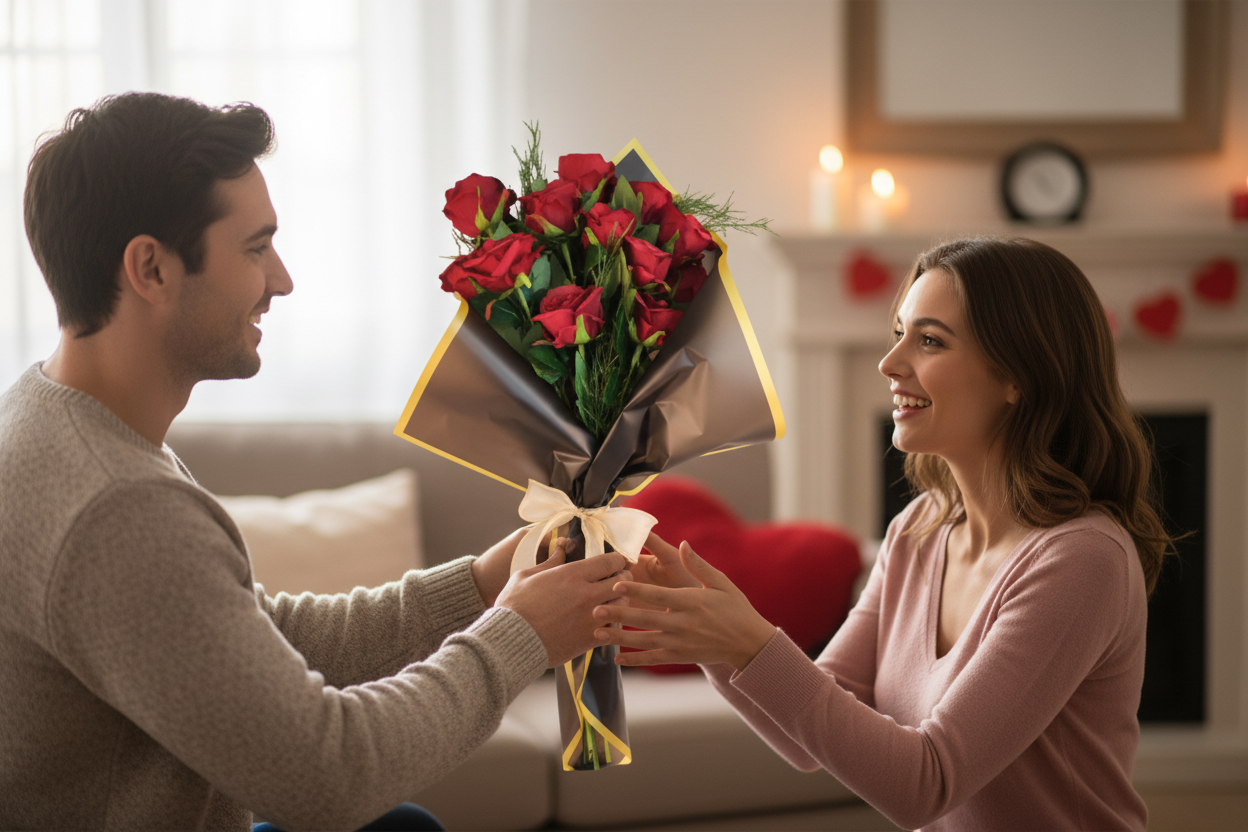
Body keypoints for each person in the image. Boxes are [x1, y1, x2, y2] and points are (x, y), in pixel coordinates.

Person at [0, 92, 629, 831]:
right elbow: (330, 777)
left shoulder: (57, 421)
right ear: (152, 269)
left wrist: (486, 585)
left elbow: (263, 643)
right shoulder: (116, 509)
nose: (282, 280)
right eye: (255, 247)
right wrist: (521, 636)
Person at [594, 237, 1170, 831]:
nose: (890, 363)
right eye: (899, 332)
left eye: (929, 340)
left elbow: (928, 783)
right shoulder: (918, 532)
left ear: (1018, 376)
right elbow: (808, 735)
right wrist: (712, 635)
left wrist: (748, 643)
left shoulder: (1080, 559)